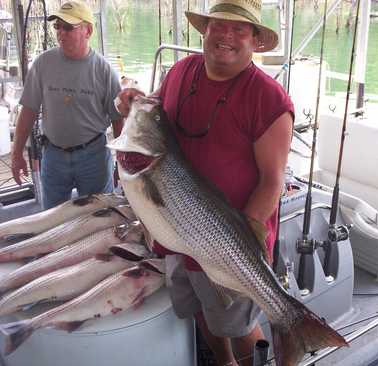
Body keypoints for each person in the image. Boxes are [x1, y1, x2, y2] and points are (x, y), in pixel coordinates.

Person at [116, 1, 294, 365]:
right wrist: (131, 104)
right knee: (199, 309)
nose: (226, 35)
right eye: (218, 25)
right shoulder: (182, 70)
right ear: (205, 30)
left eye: (240, 28)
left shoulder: (270, 100)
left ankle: (282, 338)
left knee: (239, 325)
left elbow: (273, 182)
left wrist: (235, 243)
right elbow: (153, 118)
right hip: (175, 226)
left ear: (256, 41)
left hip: (227, 238)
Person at [11, 0, 123, 209]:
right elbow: (28, 111)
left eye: (68, 27)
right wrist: (17, 154)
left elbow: (118, 120)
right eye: (57, 27)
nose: (61, 33)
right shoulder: (43, 64)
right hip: (53, 156)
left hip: (94, 157)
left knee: (97, 217)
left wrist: (122, 164)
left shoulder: (104, 70)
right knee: (52, 218)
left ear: (88, 31)